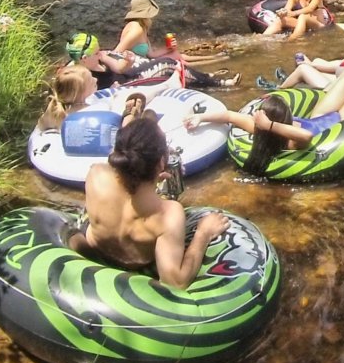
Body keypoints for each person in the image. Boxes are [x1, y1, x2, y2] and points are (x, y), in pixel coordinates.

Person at [69, 117, 229, 289]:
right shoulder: (168, 214)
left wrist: (150, 180)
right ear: (161, 162)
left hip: (95, 252)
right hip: (135, 266)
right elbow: (175, 282)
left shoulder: (96, 174)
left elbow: (126, 195)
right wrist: (203, 234)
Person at [184, 75, 344, 176]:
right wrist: (270, 124)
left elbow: (229, 115)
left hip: (319, 115)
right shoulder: (292, 142)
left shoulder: (258, 130)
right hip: (340, 120)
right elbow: (306, 136)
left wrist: (201, 118)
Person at [107, 0, 240, 88]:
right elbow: (116, 52)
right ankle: (218, 81)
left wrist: (167, 48)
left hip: (143, 63)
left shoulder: (141, 27)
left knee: (174, 55)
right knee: (172, 64)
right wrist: (127, 67)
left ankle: (211, 68)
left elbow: (151, 54)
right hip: (135, 69)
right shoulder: (136, 29)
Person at [273, 15, 344, 90]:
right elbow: (343, 66)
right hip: (343, 83)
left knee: (302, 69)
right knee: (316, 61)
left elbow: (341, 86)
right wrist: (313, 65)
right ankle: (292, 80)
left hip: (335, 91)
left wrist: (308, 68)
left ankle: (280, 89)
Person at [37, 64, 98, 131]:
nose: (96, 79)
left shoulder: (64, 113)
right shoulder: (91, 114)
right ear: (80, 93)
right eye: (91, 81)